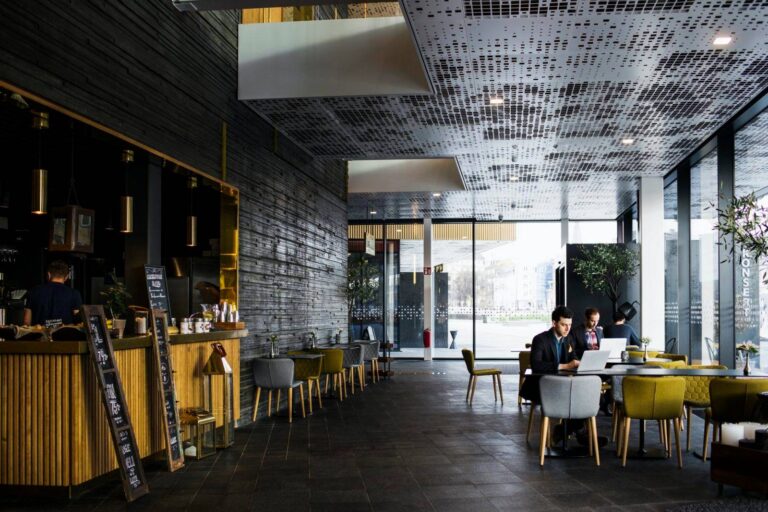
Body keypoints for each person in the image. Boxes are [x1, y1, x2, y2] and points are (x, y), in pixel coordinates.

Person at [520, 305, 579, 403]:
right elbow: (536, 365)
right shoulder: (540, 339)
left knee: (582, 392)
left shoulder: (569, 339)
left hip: (562, 383)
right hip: (542, 385)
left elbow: (573, 358)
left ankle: (571, 416)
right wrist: (566, 366)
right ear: (554, 323)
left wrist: (579, 363)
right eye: (564, 324)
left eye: (570, 324)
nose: (568, 328)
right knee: (574, 398)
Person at [23, 260, 82, 327]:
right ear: (66, 277)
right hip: (66, 336)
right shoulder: (74, 294)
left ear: (48, 274)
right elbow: (78, 322)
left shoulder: (33, 291)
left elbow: (26, 322)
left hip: (40, 336)